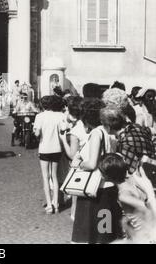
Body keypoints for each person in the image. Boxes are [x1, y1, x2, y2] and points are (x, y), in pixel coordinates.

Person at [70, 98, 123, 244]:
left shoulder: (95, 134)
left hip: (93, 190)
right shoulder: (109, 133)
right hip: (108, 188)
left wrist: (78, 163)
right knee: (104, 233)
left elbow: (92, 163)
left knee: (87, 235)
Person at [99, 153, 156, 243]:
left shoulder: (123, 195)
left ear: (107, 176)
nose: (100, 175)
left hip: (143, 236)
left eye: (101, 172)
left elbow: (147, 210)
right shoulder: (133, 179)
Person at [33, 95, 66, 214]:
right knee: (55, 177)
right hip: (57, 148)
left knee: (45, 177)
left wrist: (36, 131)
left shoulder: (39, 116)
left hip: (44, 149)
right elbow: (63, 130)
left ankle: (49, 205)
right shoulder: (60, 116)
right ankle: (56, 203)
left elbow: (37, 134)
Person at [58, 96, 88, 220]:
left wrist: (64, 140)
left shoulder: (76, 130)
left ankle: (75, 215)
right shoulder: (88, 124)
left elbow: (71, 154)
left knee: (77, 194)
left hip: (81, 165)